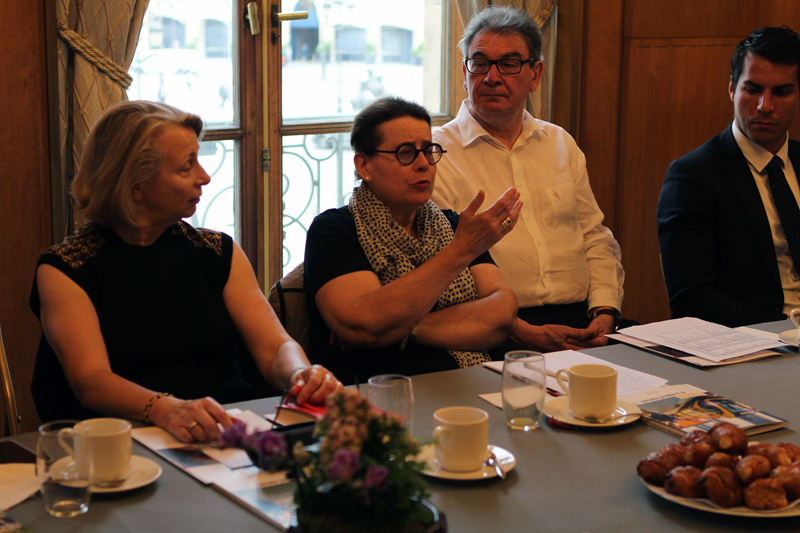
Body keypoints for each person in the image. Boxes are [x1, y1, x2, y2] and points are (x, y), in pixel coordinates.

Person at [31, 101, 341, 443]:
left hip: (226, 432)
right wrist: (166, 409)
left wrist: (300, 373)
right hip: (119, 443)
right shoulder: (67, 268)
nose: (204, 177)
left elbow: (274, 347)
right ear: (136, 185)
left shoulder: (217, 252)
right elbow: (90, 380)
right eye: (186, 167)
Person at [431, 6, 625, 355]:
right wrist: (516, 329)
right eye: (480, 63)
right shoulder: (436, 154)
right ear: (465, 71)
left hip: (583, 322)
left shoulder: (560, 143)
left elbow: (595, 237)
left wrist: (606, 311)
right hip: (494, 332)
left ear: (535, 74)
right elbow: (442, 269)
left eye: (508, 64)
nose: (491, 77)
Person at [304, 96, 521, 383]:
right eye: (406, 153)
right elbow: (367, 326)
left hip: (475, 380)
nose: (423, 164)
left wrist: (399, 329)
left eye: (429, 151)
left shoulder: (454, 225)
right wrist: (459, 253)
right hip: (382, 397)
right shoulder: (334, 230)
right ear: (364, 165)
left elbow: (503, 314)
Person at [658, 26, 800, 327]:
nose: (766, 106)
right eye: (753, 89)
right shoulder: (692, 176)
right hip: (754, 345)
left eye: (782, 92)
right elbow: (691, 298)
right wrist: (784, 328)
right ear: (732, 89)